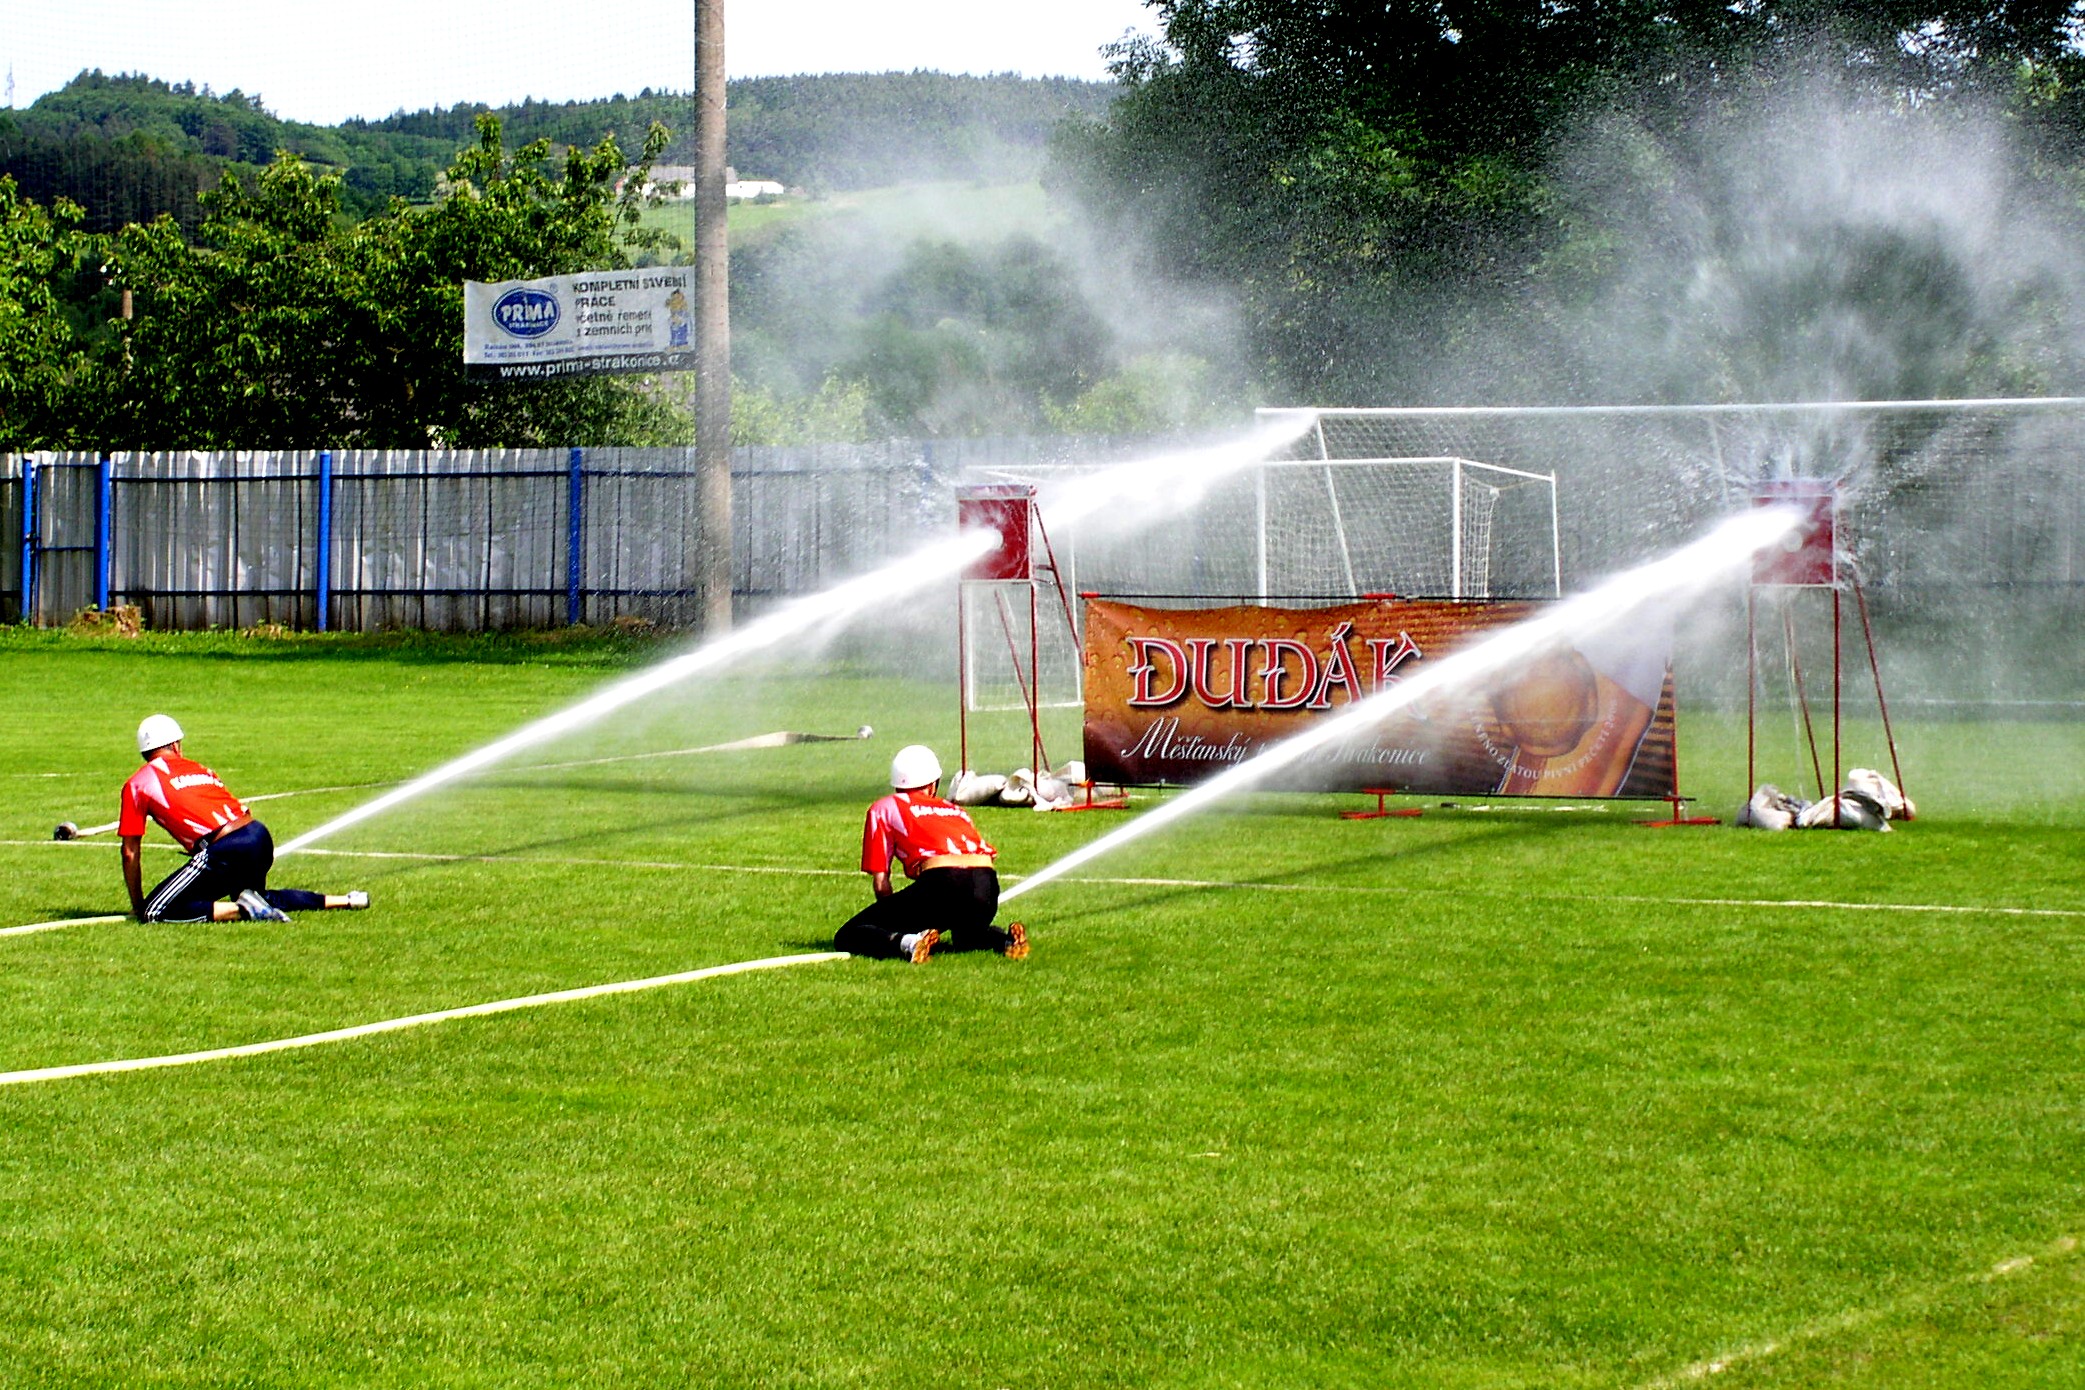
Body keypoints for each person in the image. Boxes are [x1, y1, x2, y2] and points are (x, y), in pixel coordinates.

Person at [118, 713, 369, 924]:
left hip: (225, 848)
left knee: (155, 910)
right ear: (175, 745)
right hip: (257, 835)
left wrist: (138, 904)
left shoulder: (137, 784)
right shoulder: (201, 769)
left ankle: (244, 911)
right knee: (256, 895)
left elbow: (130, 852)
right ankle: (347, 900)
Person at [835, 743, 1028, 964]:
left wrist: (894, 923)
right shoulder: (955, 810)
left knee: (849, 934)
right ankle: (1006, 941)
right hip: (987, 884)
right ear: (933, 783)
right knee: (966, 936)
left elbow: (881, 883)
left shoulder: (885, 807)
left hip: (943, 883)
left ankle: (910, 943)